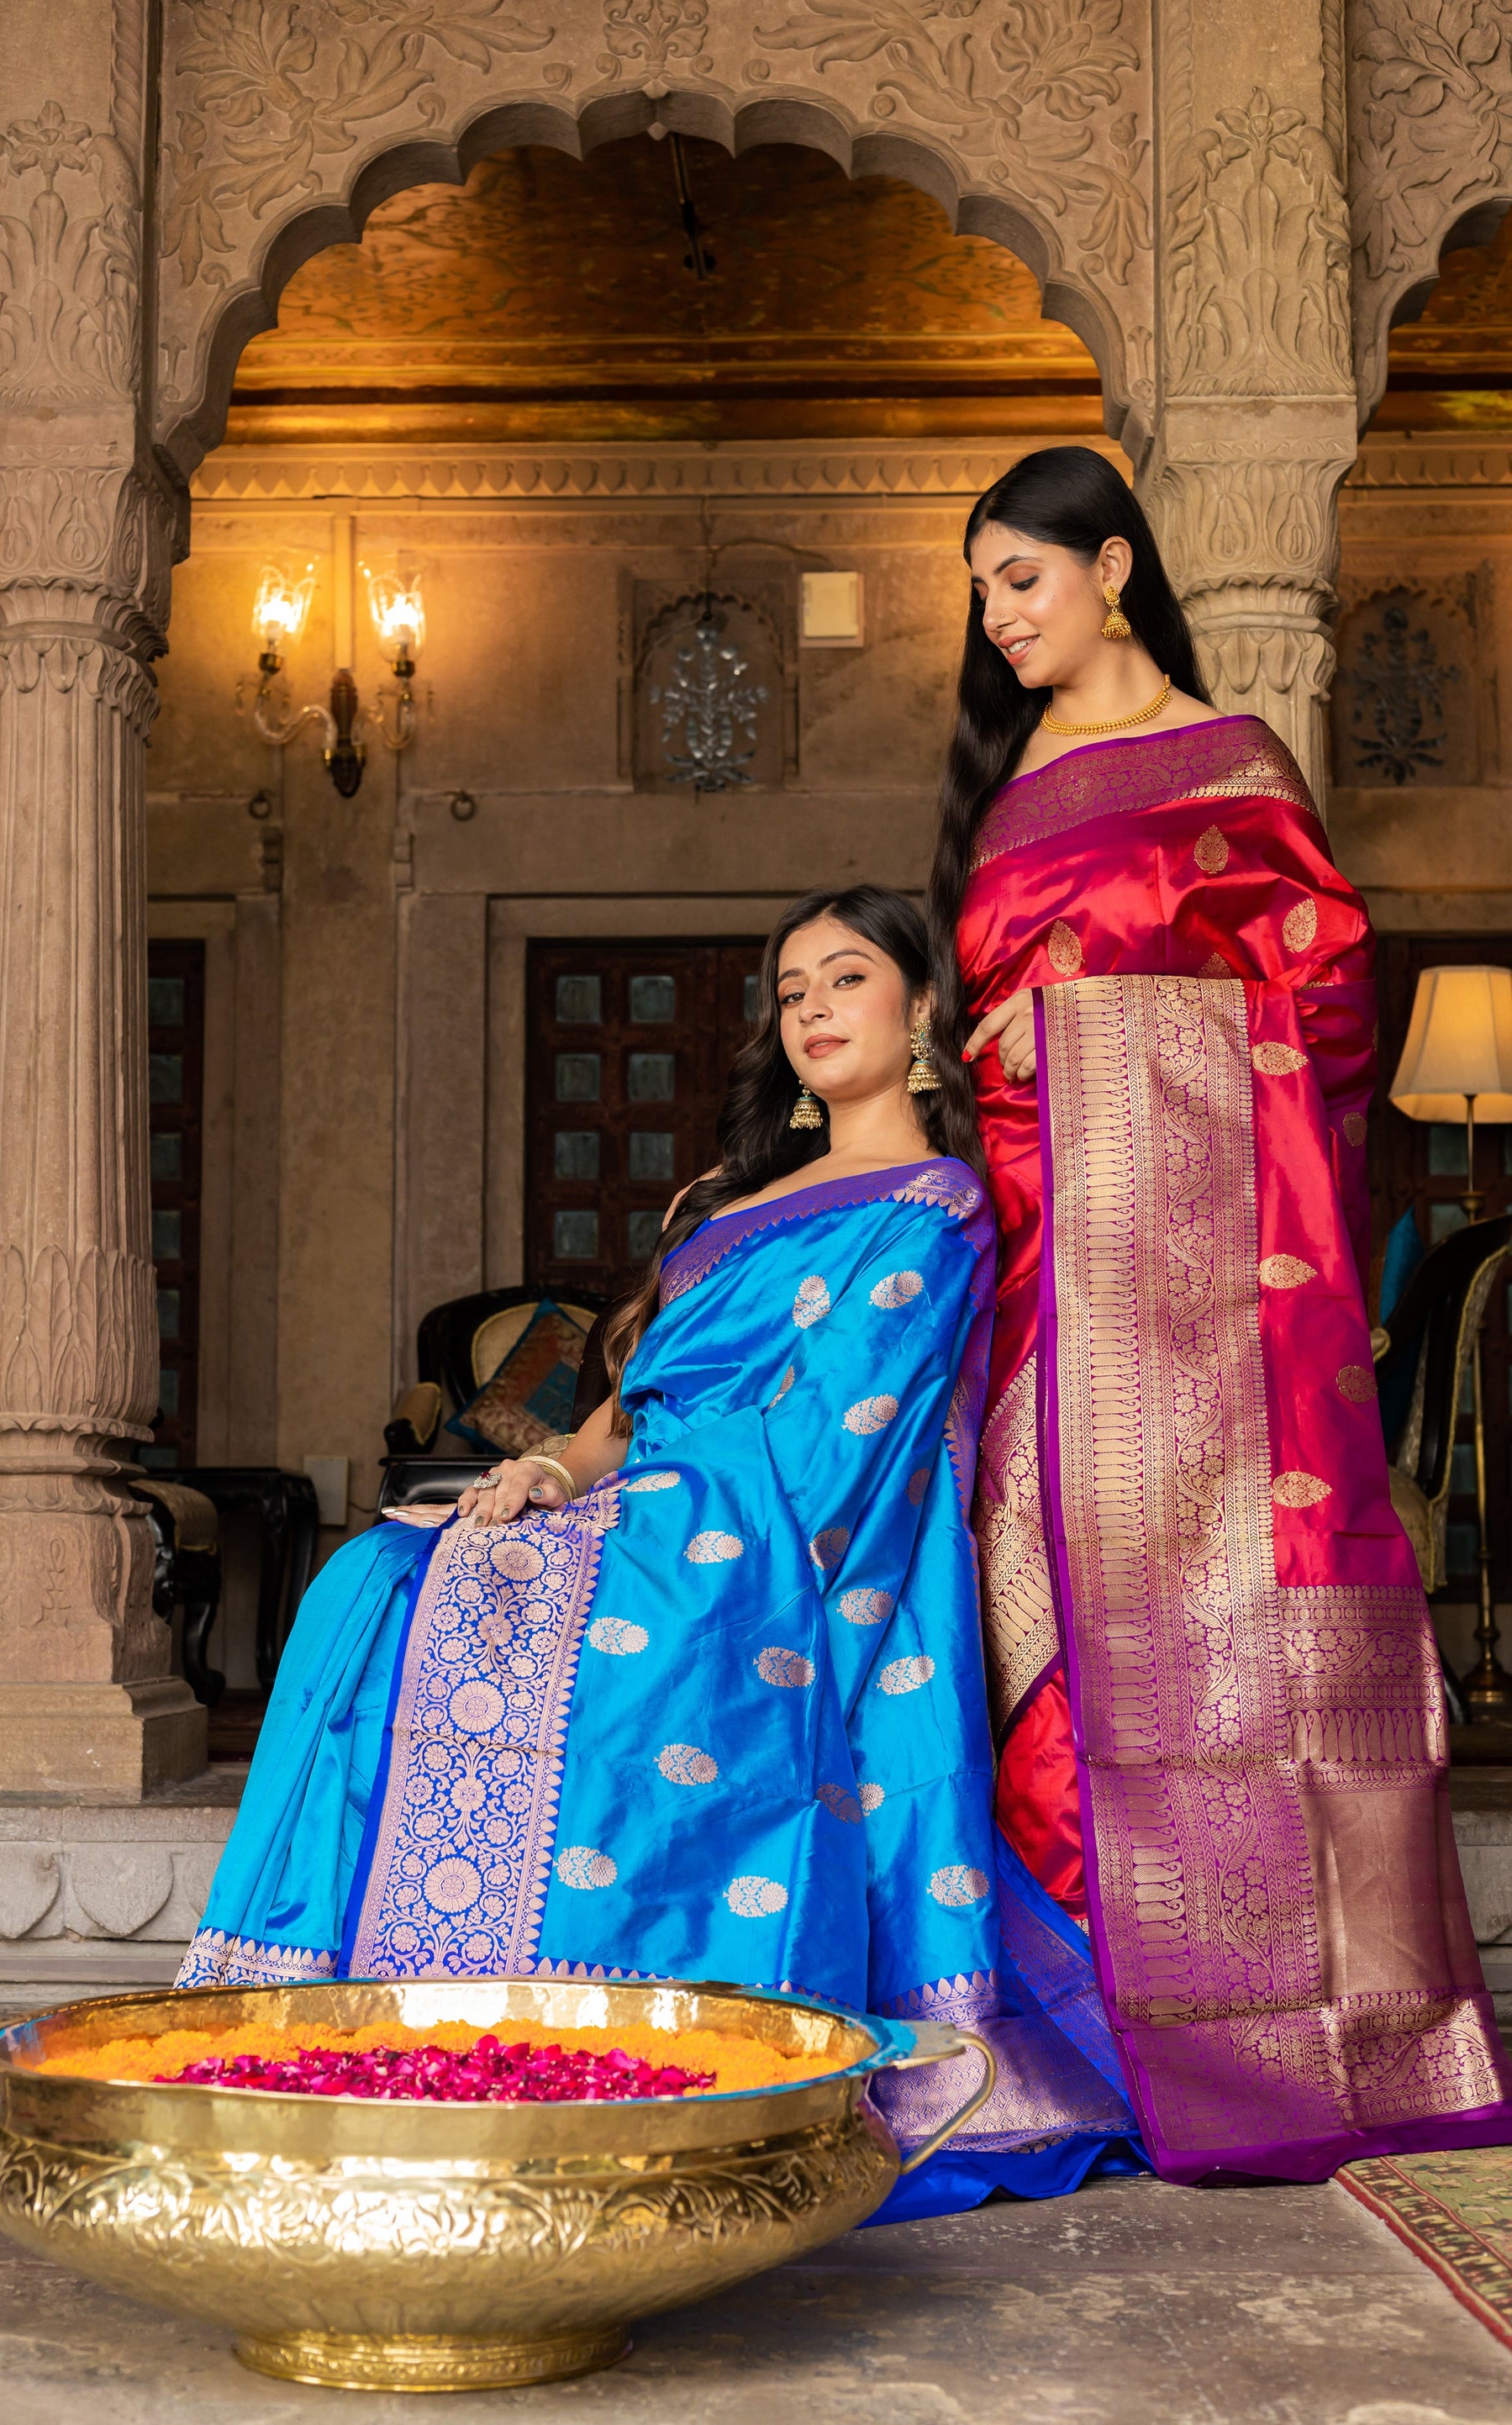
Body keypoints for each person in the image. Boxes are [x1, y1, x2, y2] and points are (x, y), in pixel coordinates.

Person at [179, 884, 1143, 2218]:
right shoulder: (728, 1198)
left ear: (921, 1005)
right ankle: (369, 2017)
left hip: (763, 1548)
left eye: (845, 979)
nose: (810, 1010)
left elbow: (843, 1437)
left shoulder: (934, 1207)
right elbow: (625, 1408)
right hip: (646, 1504)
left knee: (444, 1597)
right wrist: (544, 1473)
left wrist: (653, 1510)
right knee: (373, 1575)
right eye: (790, 991)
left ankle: (544, 2023)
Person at [935, 442, 1512, 2185]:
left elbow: (1321, 1022)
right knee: (1039, 1602)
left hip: (1208, 1281)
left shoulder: (1230, 766)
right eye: (980, 592)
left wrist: (1090, 1039)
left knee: (1250, 1618)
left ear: (1111, 565)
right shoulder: (1003, 787)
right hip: (1036, 1270)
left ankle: (1286, 2037)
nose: (996, 617)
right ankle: (1094, 2029)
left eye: (1019, 578)